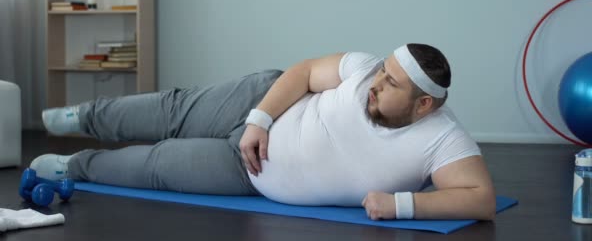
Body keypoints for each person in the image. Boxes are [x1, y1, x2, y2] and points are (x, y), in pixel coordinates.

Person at [31, 44, 496, 221]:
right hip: (260, 106)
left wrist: (400, 205)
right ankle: (83, 116)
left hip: (249, 173)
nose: (376, 83)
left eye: (390, 83)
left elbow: (480, 198)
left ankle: (73, 165)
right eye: (383, 72)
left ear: (424, 105)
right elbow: (301, 72)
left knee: (156, 165)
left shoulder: (441, 138)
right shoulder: (363, 69)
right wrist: (259, 120)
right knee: (169, 112)